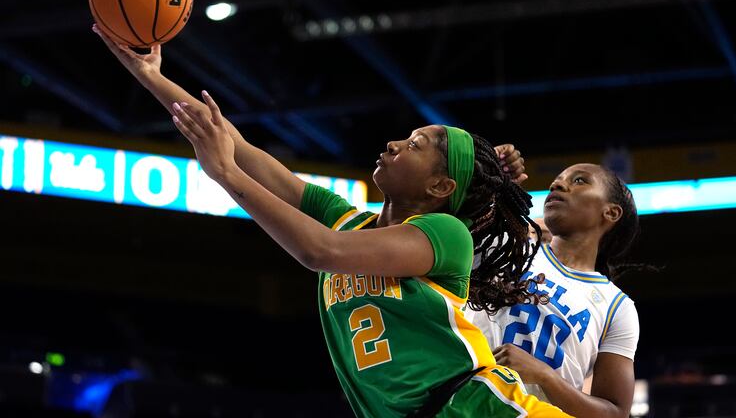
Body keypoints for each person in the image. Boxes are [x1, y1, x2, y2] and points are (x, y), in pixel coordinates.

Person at [92, 25, 571, 417]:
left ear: (440, 189)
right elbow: (236, 143)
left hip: (481, 409)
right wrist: (151, 75)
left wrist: (223, 174)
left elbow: (319, 252)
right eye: (405, 137)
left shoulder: (445, 235)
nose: (393, 144)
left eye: (415, 146)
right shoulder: (346, 220)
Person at [467, 163, 642, 418]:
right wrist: (488, 169)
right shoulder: (506, 246)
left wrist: (545, 376)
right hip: (460, 404)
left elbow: (615, 411)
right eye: (557, 180)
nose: (556, 185)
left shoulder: (617, 307)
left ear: (611, 213)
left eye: (580, 181)